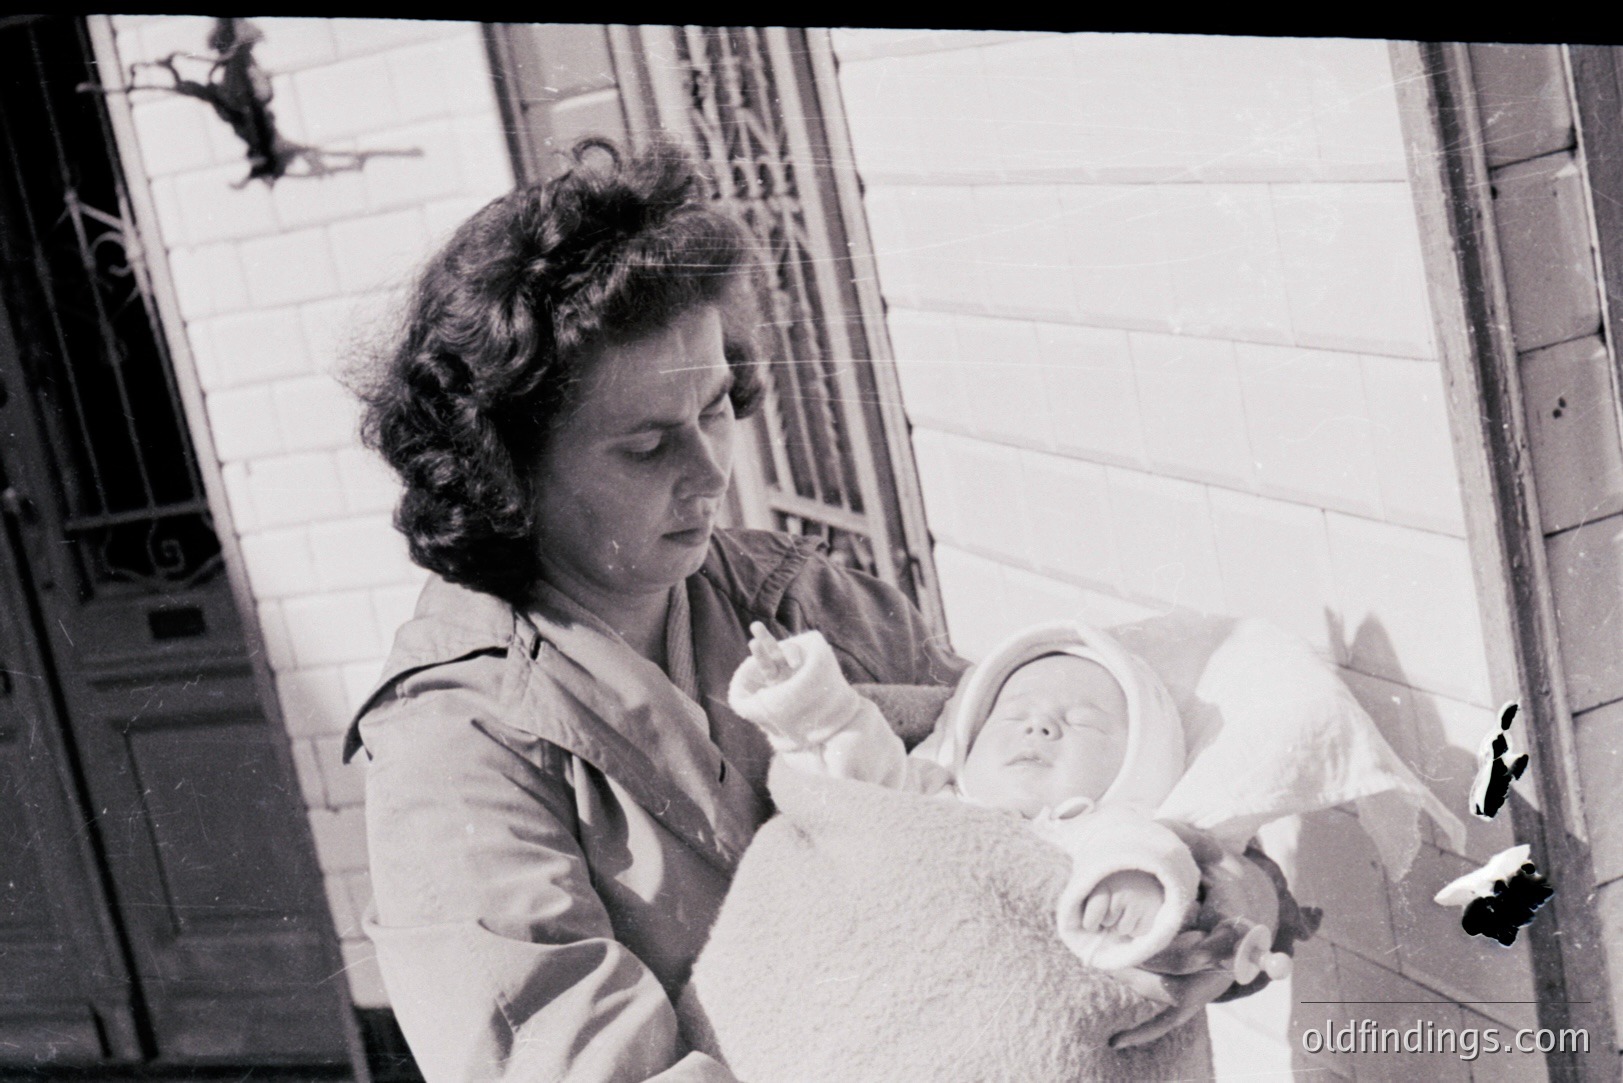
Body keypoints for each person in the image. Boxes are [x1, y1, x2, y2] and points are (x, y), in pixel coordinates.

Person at [344, 137, 1271, 1083]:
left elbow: (1087, 793)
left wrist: (1219, 903)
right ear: (507, 468)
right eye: (646, 446)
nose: (710, 470)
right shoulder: (459, 744)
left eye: (715, 409)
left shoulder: (797, 599)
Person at [730, 618, 1295, 981]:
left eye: (1083, 722)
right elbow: (854, 773)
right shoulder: (932, 795)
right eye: (1013, 714)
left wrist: (1137, 884)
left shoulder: (1099, 830)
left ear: (1137, 763)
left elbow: (1149, 849)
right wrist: (805, 699)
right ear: (967, 735)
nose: (1039, 728)